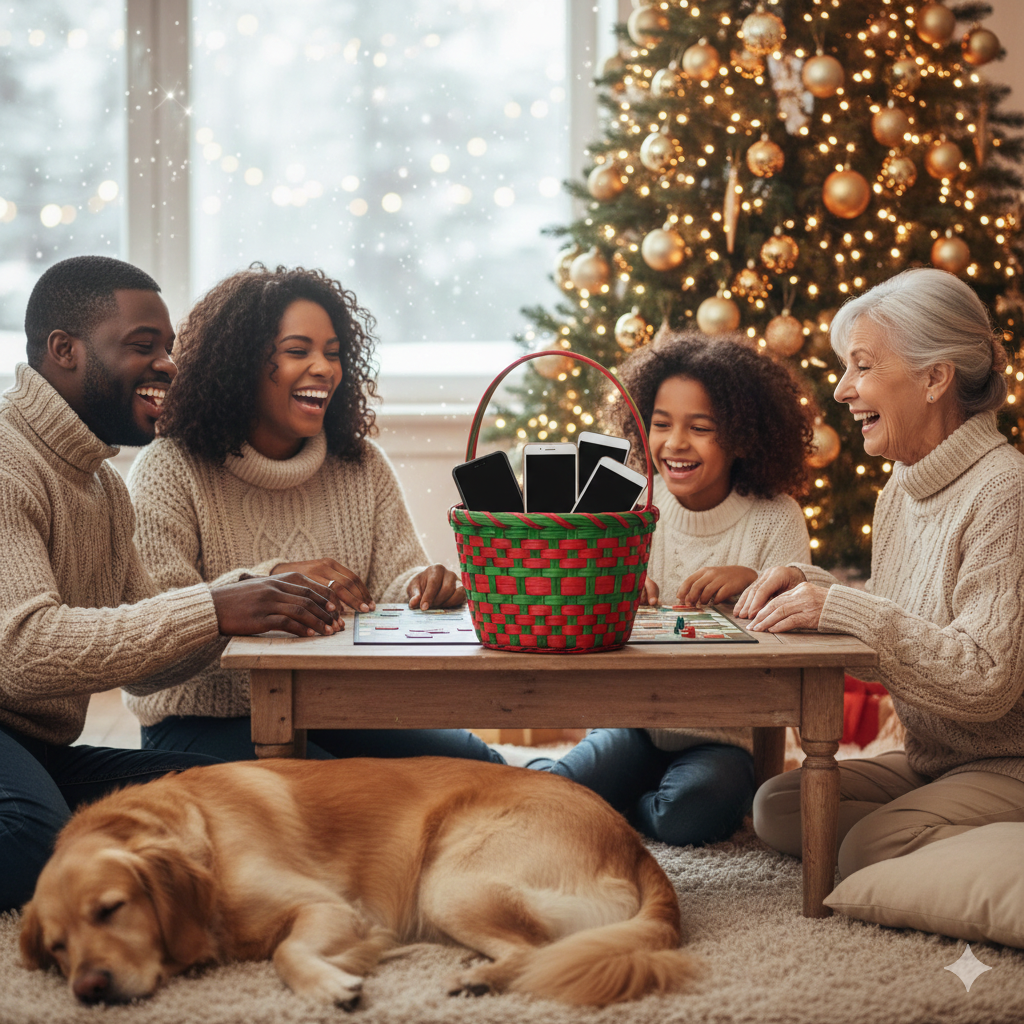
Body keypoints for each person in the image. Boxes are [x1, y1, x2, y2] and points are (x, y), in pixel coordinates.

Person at [0, 256, 342, 912]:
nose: (166, 364)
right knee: (30, 841)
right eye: (141, 346)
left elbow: (149, 666)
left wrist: (256, 597)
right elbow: (24, 654)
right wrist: (215, 606)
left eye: (168, 348)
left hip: (38, 748)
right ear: (64, 351)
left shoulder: (100, 483)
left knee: (272, 793)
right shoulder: (9, 464)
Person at [125, 264, 503, 765]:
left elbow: (391, 583)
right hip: (201, 723)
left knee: (482, 771)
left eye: (333, 353)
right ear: (239, 364)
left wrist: (424, 586)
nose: (325, 368)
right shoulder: (168, 469)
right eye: (298, 351)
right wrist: (272, 581)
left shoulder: (361, 463)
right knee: (349, 804)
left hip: (342, 706)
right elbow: (159, 630)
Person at [738, 268, 1024, 893]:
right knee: (780, 808)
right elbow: (906, 621)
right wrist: (807, 587)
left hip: (1009, 766)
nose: (842, 391)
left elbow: (987, 680)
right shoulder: (903, 485)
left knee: (869, 844)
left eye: (862, 367)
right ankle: (942, 836)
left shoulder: (1006, 491)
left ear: (934, 377)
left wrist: (842, 607)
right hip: (934, 763)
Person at [530, 331, 815, 846]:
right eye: (660, 424)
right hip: (632, 722)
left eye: (700, 428)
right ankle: (614, 786)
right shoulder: (630, 503)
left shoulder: (775, 519)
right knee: (553, 793)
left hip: (723, 738)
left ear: (744, 436)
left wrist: (755, 584)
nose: (675, 443)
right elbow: (573, 603)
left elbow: (797, 621)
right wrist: (614, 590)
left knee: (685, 816)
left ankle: (628, 803)